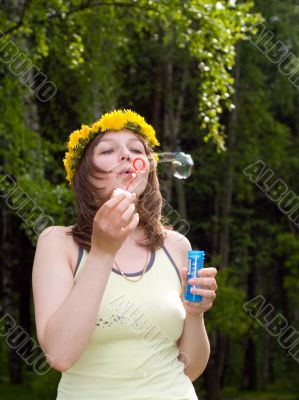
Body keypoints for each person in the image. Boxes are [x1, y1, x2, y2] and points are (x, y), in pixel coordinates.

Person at [32, 109, 218, 400]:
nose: (126, 156)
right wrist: (103, 252)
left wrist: (195, 315)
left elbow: (190, 370)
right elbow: (60, 356)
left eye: (136, 149)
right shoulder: (57, 242)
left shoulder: (177, 246)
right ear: (84, 176)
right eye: (108, 150)